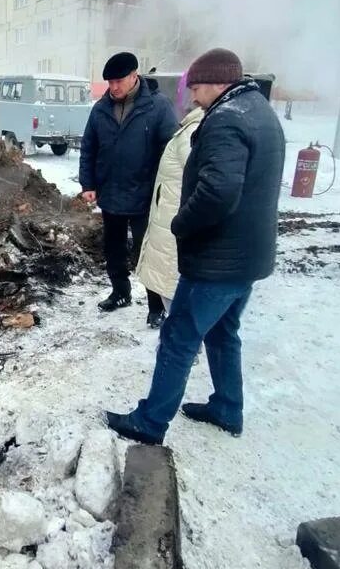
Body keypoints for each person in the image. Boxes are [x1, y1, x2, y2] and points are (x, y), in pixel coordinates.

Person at [105, 48, 285, 443]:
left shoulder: (224, 120)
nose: (193, 97)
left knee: (178, 337)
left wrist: (181, 224)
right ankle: (226, 406)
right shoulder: (260, 111)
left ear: (218, 83)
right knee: (223, 332)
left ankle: (150, 423)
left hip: (217, 260)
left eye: (197, 88)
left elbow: (218, 190)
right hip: (247, 257)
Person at [79, 52, 177, 327]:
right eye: (109, 82)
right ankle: (121, 293)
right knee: (114, 250)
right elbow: (89, 147)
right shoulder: (100, 109)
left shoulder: (158, 107)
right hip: (111, 194)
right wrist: (88, 184)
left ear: (135, 75)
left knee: (146, 254)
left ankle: (156, 307)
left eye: (118, 81)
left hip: (145, 197)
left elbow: (170, 152)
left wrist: (162, 190)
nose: (114, 87)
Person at [135, 99, 205, 313]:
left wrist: (184, 220)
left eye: (194, 90)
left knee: (177, 302)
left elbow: (204, 183)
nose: (190, 97)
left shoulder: (192, 134)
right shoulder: (190, 130)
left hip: (175, 225)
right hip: (171, 222)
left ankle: (184, 343)